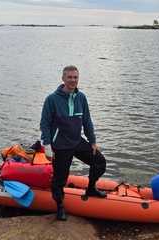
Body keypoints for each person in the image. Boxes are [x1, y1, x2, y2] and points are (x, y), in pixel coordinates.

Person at [40, 65, 107, 221]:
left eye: (75, 77)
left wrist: (92, 141)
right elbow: (44, 123)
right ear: (63, 78)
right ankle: (60, 205)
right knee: (60, 178)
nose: (73, 80)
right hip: (60, 145)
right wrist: (48, 146)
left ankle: (91, 189)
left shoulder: (81, 98)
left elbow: (87, 120)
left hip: (77, 141)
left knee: (99, 162)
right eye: (69, 77)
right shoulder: (52, 99)